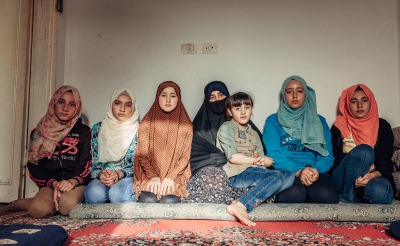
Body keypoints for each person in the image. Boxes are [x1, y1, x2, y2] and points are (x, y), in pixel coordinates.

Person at [8, 85, 92, 218]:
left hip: (75, 183)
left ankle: (44, 202)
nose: (65, 109)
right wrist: (53, 183)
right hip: (50, 183)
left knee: (67, 206)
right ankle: (32, 203)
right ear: (53, 103)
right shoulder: (38, 133)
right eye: (61, 102)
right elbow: (33, 167)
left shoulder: (84, 131)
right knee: (38, 210)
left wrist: (72, 181)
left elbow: (86, 163)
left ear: (77, 107)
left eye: (72, 104)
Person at [217, 92, 294, 226]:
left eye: (247, 107)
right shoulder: (227, 128)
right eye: (237, 108)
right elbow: (233, 157)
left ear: (252, 108)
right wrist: (254, 160)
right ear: (229, 111)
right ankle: (242, 205)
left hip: (256, 171)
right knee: (277, 176)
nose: (243, 112)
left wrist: (264, 160)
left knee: (289, 175)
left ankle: (243, 199)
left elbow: (262, 157)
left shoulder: (253, 133)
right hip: (238, 174)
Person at [184, 81, 265, 204]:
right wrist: (231, 156)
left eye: (221, 95)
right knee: (214, 178)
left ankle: (235, 204)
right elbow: (196, 157)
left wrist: (247, 158)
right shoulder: (199, 126)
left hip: (240, 170)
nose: (217, 100)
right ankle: (232, 203)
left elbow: (258, 153)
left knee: (258, 183)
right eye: (212, 97)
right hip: (209, 172)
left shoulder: (245, 128)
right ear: (206, 101)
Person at [263, 75, 338, 203]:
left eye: (299, 91)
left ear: (306, 94)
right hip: (286, 171)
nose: (294, 95)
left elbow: (327, 155)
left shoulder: (319, 121)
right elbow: (274, 154)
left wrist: (315, 170)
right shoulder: (273, 121)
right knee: (293, 195)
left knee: (326, 196)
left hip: (314, 171)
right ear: (284, 95)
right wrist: (298, 171)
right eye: (289, 91)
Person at [330, 84, 395, 204]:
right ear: (348, 105)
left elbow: (386, 161)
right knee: (364, 152)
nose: (359, 105)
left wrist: (373, 174)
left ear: (371, 102)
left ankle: (357, 197)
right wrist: (363, 162)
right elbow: (332, 161)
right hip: (344, 181)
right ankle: (346, 199)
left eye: (364, 100)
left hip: (372, 178)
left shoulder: (383, 126)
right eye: (354, 101)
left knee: (381, 192)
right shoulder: (339, 127)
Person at [134, 81, 193, 203]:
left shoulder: (186, 125)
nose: (168, 100)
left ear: (178, 99)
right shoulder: (146, 123)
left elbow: (184, 157)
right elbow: (142, 156)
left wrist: (170, 178)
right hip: (149, 174)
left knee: (169, 201)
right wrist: (154, 177)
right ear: (157, 97)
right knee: (148, 199)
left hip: (175, 176)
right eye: (163, 95)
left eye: (173, 96)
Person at [84, 88, 139, 204]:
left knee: (118, 195)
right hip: (103, 176)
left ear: (133, 107)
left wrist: (119, 173)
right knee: (94, 194)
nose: (122, 109)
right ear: (111, 104)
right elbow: (93, 161)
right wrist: (101, 174)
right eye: (117, 103)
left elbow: (139, 164)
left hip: (126, 177)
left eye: (128, 105)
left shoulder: (140, 131)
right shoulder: (98, 129)